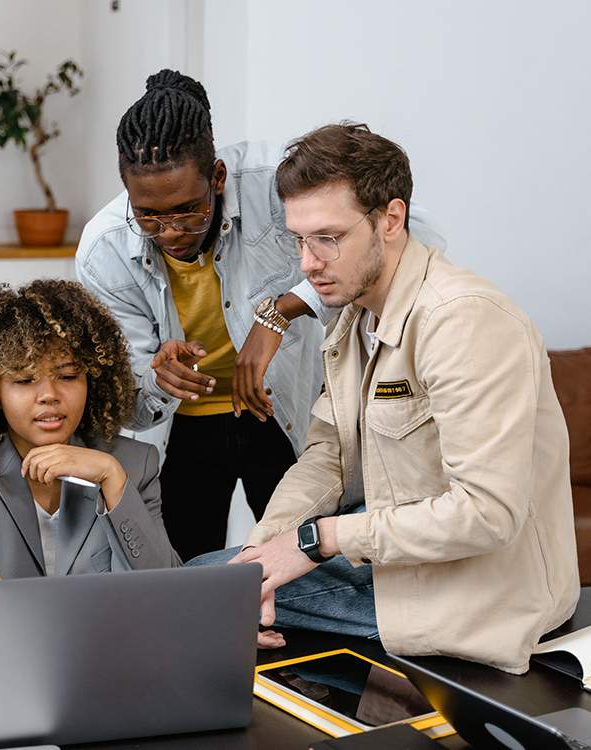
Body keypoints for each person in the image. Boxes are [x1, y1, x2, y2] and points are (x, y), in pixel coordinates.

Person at [194, 122, 578, 674]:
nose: (306, 263)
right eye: (299, 240)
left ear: (391, 219)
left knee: (197, 596)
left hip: (479, 593)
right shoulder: (354, 316)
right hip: (398, 561)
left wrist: (318, 539)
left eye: (328, 238)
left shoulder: (463, 320)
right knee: (218, 580)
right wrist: (262, 552)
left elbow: (488, 513)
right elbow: (329, 457)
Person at [76, 69, 445, 562]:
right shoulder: (105, 252)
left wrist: (281, 312)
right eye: (148, 215)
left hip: (282, 410)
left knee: (304, 565)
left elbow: (414, 241)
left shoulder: (277, 183)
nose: (169, 232)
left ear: (218, 178)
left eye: (188, 210)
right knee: (185, 575)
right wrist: (156, 377)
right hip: (183, 431)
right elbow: (132, 405)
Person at [0, 280, 180, 642]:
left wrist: (112, 480)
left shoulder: (133, 463)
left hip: (108, 664)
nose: (49, 395)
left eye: (68, 376)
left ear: (92, 380)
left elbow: (168, 597)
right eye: (24, 380)